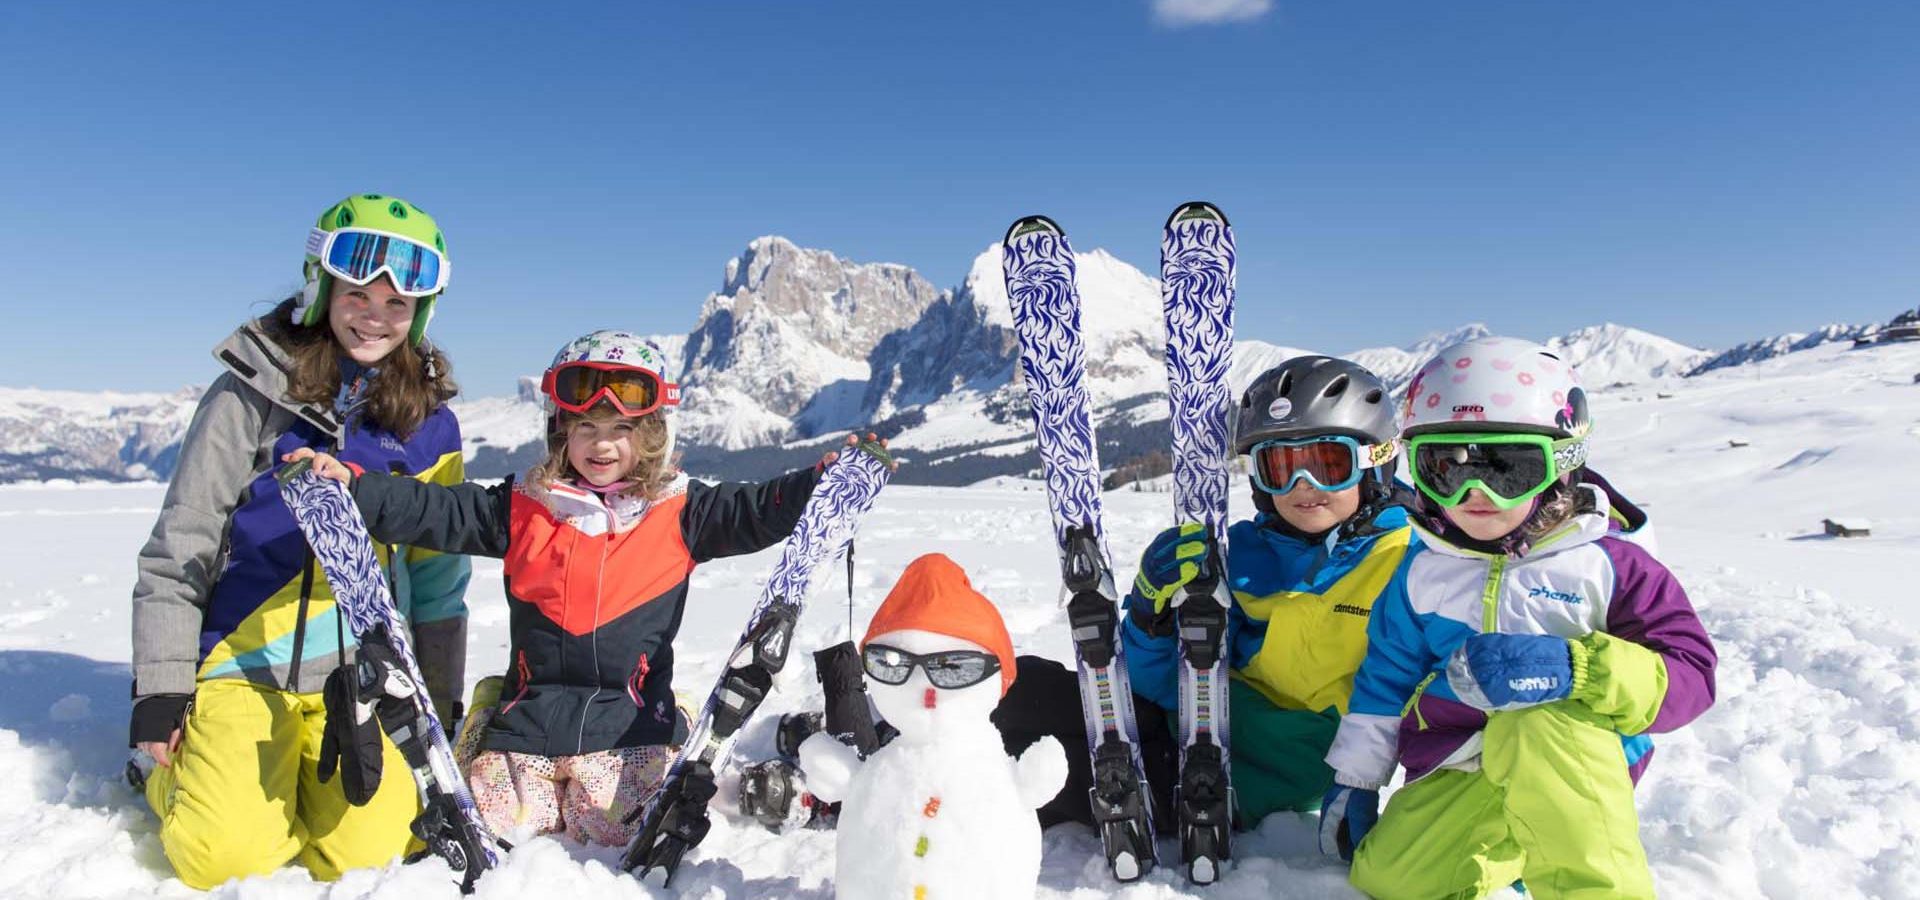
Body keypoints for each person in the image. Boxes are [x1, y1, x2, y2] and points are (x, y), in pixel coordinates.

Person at [288, 330, 880, 846]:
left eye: (621, 429)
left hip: (628, 728)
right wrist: (355, 488)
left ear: (650, 436)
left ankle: (699, 751)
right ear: (560, 432)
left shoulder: (680, 512)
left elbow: (757, 510)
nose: (602, 445)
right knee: (501, 820)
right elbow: (434, 509)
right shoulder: (523, 507)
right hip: (531, 721)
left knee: (628, 822)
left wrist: (821, 486)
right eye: (587, 427)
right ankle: (487, 723)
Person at [129, 194, 469, 888]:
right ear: (321, 287)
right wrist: (159, 692)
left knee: (374, 854)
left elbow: (438, 575)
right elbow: (182, 543)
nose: (376, 314)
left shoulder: (430, 428)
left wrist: (436, 695)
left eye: (398, 303)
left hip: (361, 677)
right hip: (242, 659)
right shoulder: (251, 395)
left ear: (421, 313)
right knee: (224, 857)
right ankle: (168, 777)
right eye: (358, 293)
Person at [1320, 335, 1718, 899]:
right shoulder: (1421, 573)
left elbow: (1692, 677)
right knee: (1389, 880)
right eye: (1445, 468)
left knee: (1535, 719)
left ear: (1561, 463)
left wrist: (1578, 669)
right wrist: (1356, 779)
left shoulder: (1609, 565)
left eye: (1509, 469)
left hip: (1576, 763)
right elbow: (1386, 678)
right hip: (1463, 762)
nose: (1475, 493)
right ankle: (1515, 845)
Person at [985, 355, 1419, 834]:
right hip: (1189, 717)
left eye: (1328, 464)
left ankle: (943, 799)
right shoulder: (1242, 552)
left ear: (1375, 462)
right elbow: (1164, 680)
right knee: (1020, 687)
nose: (1303, 486)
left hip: (1253, 778)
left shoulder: (1408, 565)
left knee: (1040, 771)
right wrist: (1150, 617)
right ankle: (900, 729)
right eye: (1280, 467)